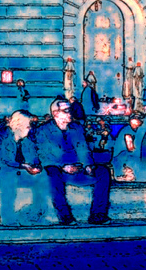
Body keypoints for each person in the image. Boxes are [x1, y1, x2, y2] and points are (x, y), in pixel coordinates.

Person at [32, 96, 113, 225]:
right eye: (66, 110)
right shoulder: (43, 131)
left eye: (70, 110)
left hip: (77, 168)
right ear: (55, 113)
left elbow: (83, 149)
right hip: (57, 168)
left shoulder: (76, 128)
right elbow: (43, 155)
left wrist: (88, 166)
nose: (70, 113)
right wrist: (63, 166)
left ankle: (98, 215)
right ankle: (65, 217)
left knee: (103, 171)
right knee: (51, 173)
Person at [0, 110, 44, 225]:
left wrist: (36, 166)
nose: (30, 129)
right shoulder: (0, 137)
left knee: (43, 177)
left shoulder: (27, 140)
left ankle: (34, 214)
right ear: (19, 125)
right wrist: (23, 166)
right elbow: (2, 161)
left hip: (18, 172)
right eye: (28, 126)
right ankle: (8, 218)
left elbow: (34, 156)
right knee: (8, 173)